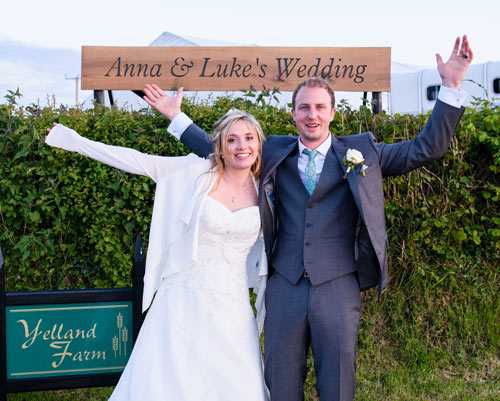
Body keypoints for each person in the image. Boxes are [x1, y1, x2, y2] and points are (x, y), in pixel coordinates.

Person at [143, 35, 473, 401]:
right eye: (304, 108)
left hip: (338, 286)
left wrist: (449, 87)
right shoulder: (270, 153)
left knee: (337, 384)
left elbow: (425, 149)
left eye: (319, 107)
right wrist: (176, 117)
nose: (311, 115)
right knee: (281, 383)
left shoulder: (364, 153)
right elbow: (220, 148)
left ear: (332, 113)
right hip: (284, 286)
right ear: (293, 114)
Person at [45, 109, 269, 401]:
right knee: (171, 379)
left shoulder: (266, 188)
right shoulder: (196, 174)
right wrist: (75, 140)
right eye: (233, 140)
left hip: (233, 305)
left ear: (259, 144)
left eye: (249, 138)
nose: (242, 146)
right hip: (183, 298)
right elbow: (138, 161)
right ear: (221, 147)